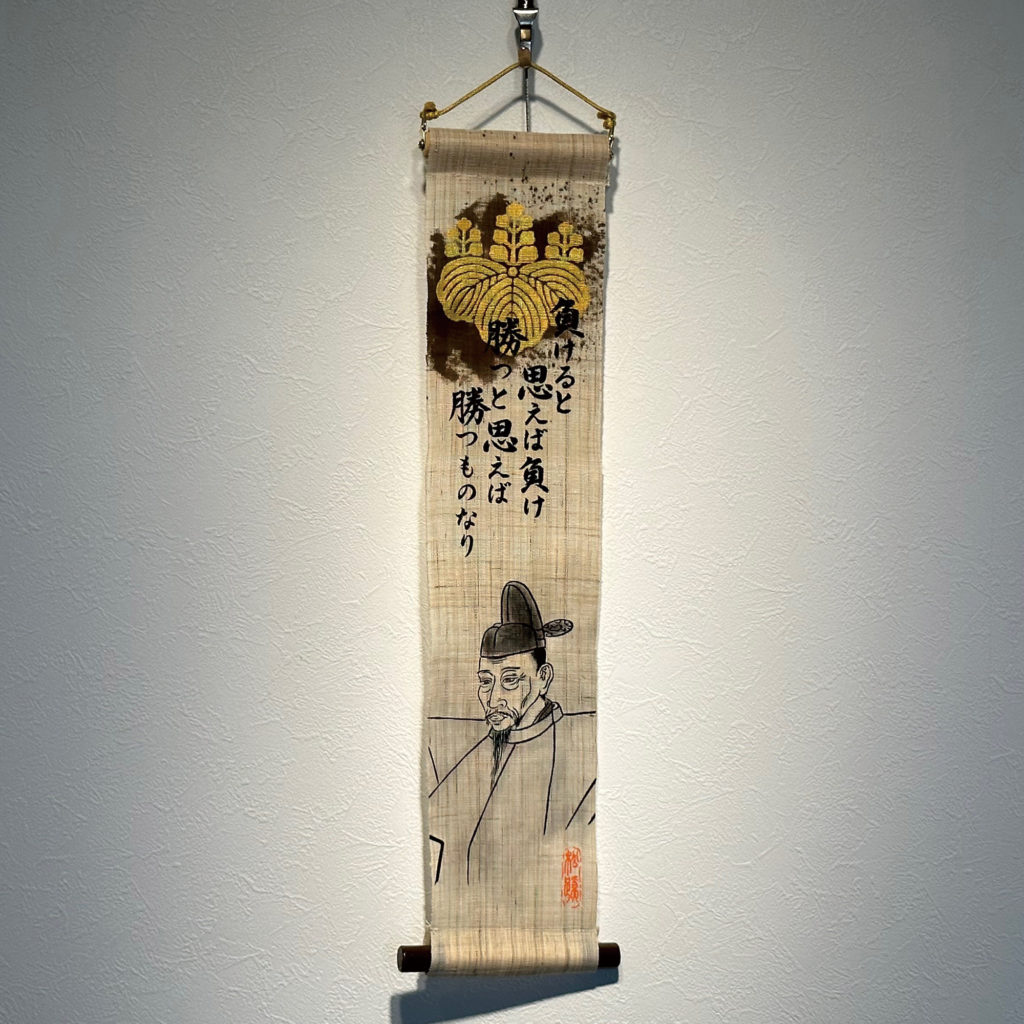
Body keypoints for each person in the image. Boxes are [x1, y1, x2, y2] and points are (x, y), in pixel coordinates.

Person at [428, 581, 596, 891]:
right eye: (485, 682)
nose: (493, 699)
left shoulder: (580, 754)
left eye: (510, 680)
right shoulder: (478, 755)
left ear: (543, 678)